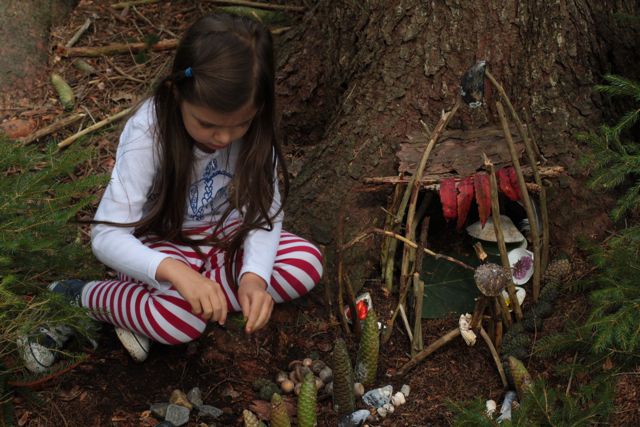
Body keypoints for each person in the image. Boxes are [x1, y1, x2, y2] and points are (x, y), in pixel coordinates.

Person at [18, 13, 323, 372]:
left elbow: (262, 214)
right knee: (183, 321)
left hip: (222, 239)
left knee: (306, 263)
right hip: (161, 243)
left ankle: (159, 304)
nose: (224, 138)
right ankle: (79, 297)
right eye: (207, 124)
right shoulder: (150, 131)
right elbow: (106, 236)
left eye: (240, 123)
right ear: (177, 92)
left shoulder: (256, 136)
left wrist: (254, 278)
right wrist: (176, 273)